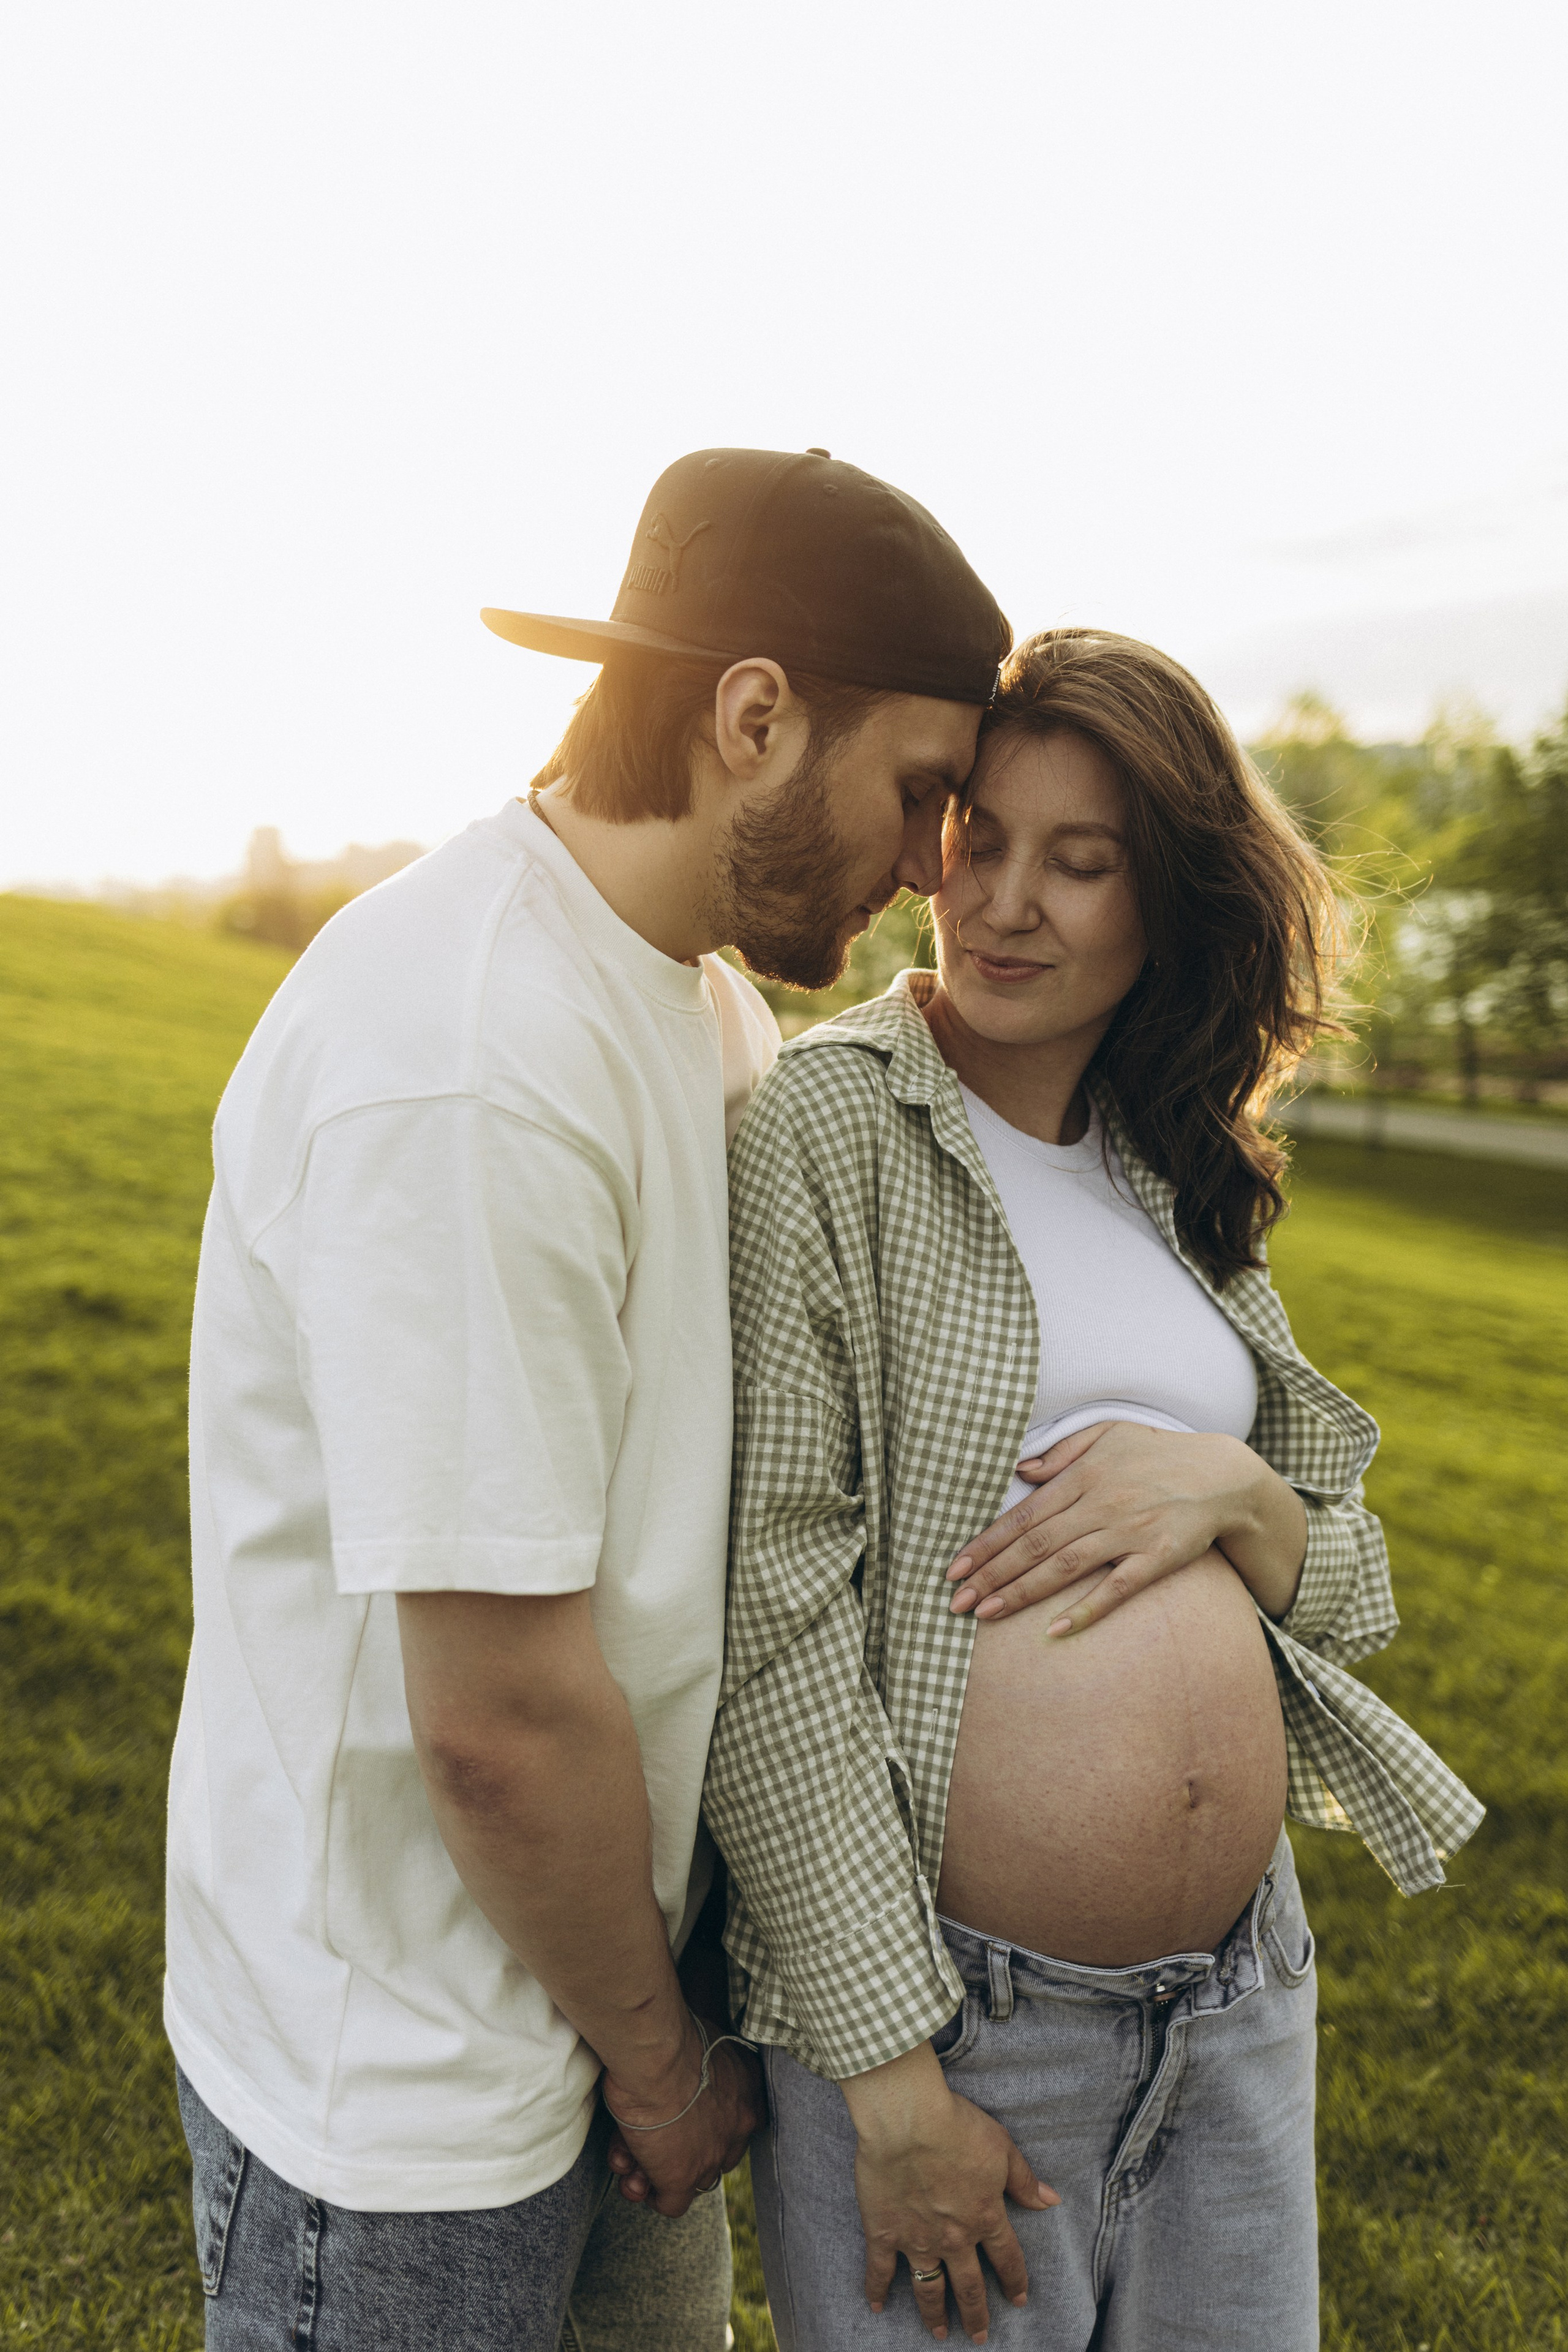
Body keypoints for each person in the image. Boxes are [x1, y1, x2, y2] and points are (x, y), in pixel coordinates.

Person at [164, 447, 1011, 2350]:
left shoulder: (695, 991)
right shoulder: (468, 1057)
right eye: (927, 793)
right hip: (408, 2088)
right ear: (753, 717)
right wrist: (662, 2065)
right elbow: (501, 1714)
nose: (938, 864)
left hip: (599, 2007)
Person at [706, 627, 1484, 2351]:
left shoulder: (1167, 1163)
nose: (1003, 903)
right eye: (982, 837)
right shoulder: (836, 1129)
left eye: (1083, 862)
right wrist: (890, 2083)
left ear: (1168, 903)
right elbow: (769, 1631)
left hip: (1240, 1999)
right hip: (961, 2027)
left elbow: (1342, 1586)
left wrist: (1236, 1495)